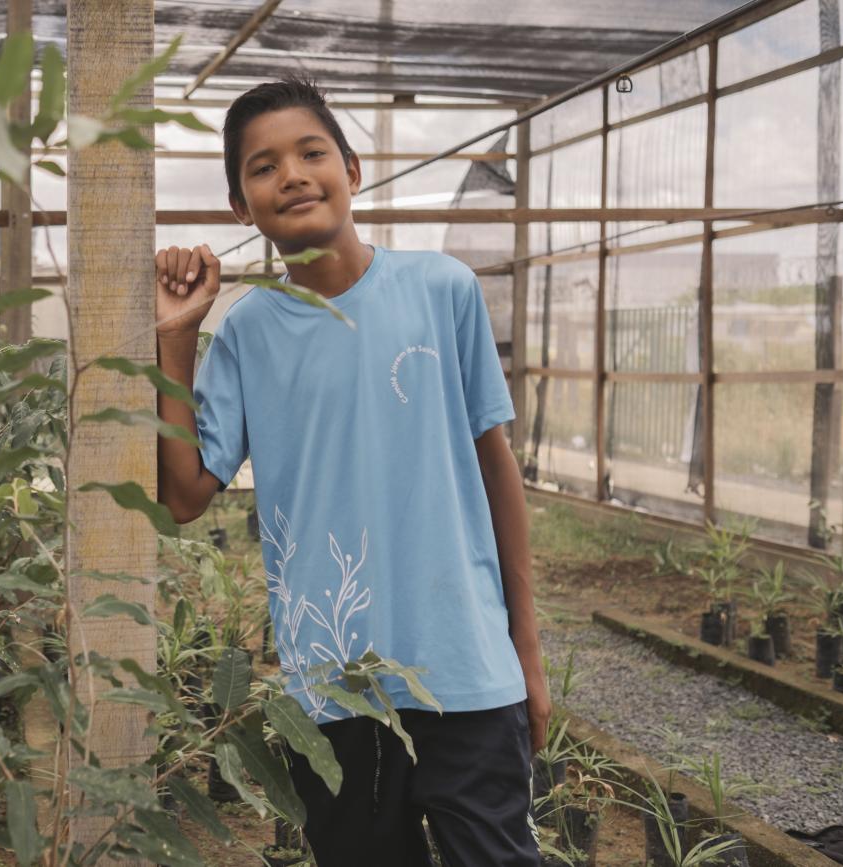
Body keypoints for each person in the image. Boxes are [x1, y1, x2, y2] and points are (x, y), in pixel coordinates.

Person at [154, 75, 548, 866]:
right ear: (241, 207)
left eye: (311, 151)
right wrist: (175, 338)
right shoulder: (247, 333)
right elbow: (185, 496)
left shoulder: (443, 290)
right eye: (262, 167)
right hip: (330, 691)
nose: (291, 174)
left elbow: (495, 470)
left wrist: (526, 647)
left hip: (466, 669)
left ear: (354, 169)